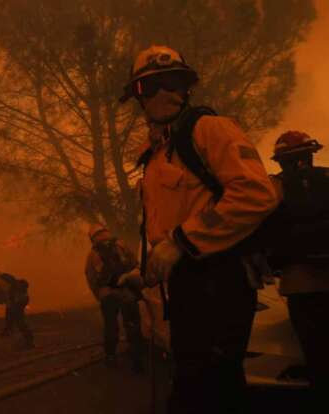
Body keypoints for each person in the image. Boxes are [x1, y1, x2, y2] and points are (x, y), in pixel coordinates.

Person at [121, 45, 279, 413]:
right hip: (187, 284)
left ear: (187, 88)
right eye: (153, 86)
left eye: (176, 82)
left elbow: (257, 193)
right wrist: (145, 270)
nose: (168, 92)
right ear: (139, 96)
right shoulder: (156, 155)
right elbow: (166, 226)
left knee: (208, 387)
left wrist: (183, 241)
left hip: (219, 278)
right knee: (199, 382)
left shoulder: (209, 129)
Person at [269, 131, 329, 408]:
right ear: (311, 154)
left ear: (280, 161)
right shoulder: (328, 178)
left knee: (315, 353)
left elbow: (260, 229)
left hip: (298, 283)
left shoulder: (273, 188)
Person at [85, 224, 145, 372]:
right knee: (132, 326)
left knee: (111, 327)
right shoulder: (121, 245)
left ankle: (111, 358)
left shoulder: (92, 254)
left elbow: (91, 277)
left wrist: (99, 295)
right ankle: (137, 360)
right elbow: (135, 265)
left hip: (107, 294)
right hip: (126, 292)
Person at [0, 270, 34, 348]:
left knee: (18, 321)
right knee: (11, 319)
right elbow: (4, 296)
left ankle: (28, 342)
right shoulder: (6, 278)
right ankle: (11, 337)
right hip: (22, 299)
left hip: (15, 302)